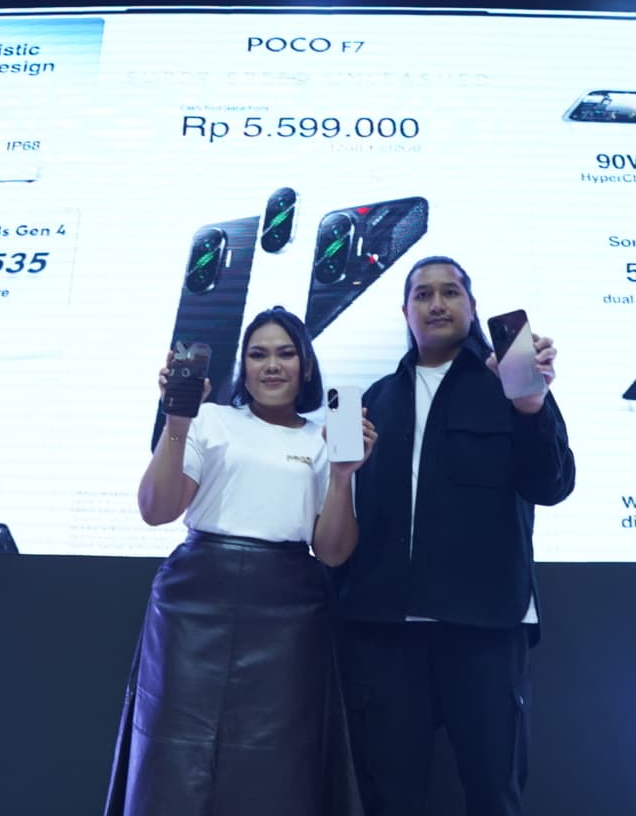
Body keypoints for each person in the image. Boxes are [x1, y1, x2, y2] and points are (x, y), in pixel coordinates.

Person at [104, 307, 373, 816]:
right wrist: (176, 422)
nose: (272, 365)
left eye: (285, 354)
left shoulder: (325, 439)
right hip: (193, 605)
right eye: (258, 354)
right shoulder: (208, 420)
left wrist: (343, 476)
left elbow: (333, 551)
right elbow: (156, 511)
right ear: (243, 367)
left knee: (278, 760)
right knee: (173, 754)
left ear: (306, 368)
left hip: (289, 612)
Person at [332, 256, 575, 816]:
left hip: (486, 628)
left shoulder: (511, 386)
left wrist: (531, 408)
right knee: (390, 798)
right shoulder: (374, 401)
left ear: (471, 306)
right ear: (405, 311)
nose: (436, 304)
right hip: (387, 633)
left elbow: (552, 484)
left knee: (494, 793)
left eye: (450, 292)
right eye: (422, 294)